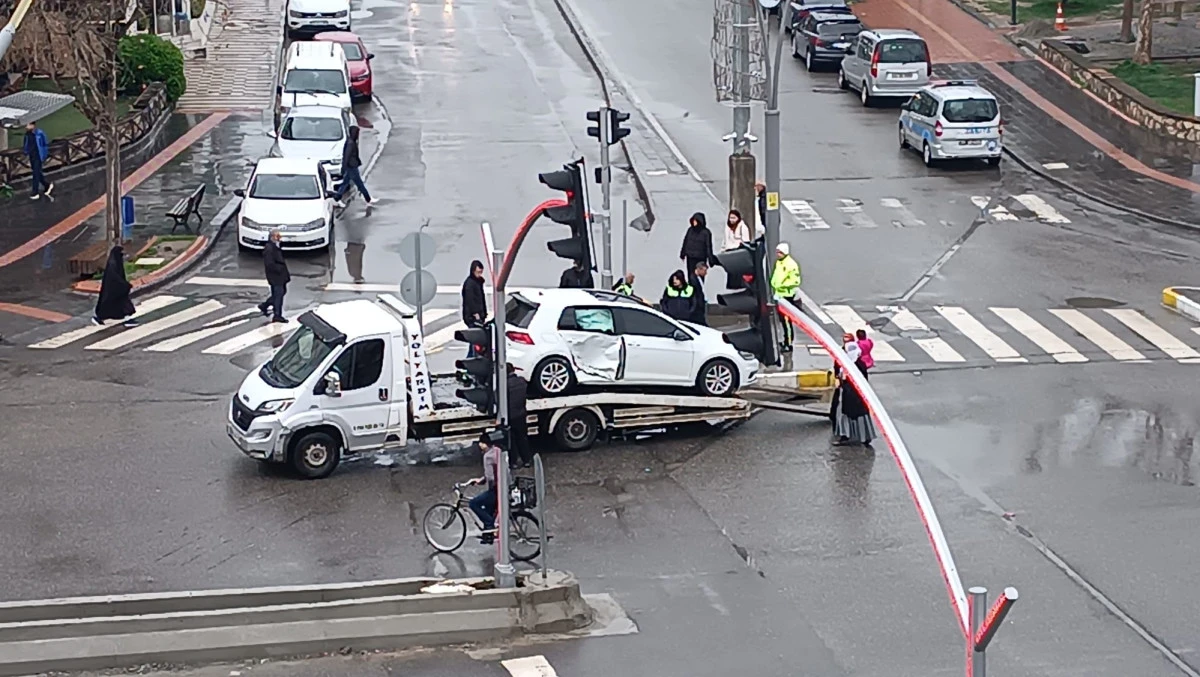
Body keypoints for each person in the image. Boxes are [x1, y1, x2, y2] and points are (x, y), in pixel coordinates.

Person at [833, 340, 876, 447]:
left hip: (853, 395)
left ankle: (850, 436)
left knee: (850, 414)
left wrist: (844, 382)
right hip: (853, 395)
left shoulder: (856, 365)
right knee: (854, 415)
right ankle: (858, 436)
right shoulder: (850, 364)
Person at [466, 434, 503, 545]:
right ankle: (488, 535)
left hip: (496, 489)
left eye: (480, 443)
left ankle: (489, 525)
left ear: (483, 444)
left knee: (474, 503)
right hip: (504, 486)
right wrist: (480, 480)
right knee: (488, 508)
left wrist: (485, 482)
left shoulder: (487, 456)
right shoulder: (497, 450)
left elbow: (490, 477)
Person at [333, 126, 377, 208]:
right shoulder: (351, 143)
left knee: (345, 183)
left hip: (351, 166)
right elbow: (347, 156)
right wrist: (344, 167)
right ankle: (368, 199)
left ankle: (337, 198)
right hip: (351, 166)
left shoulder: (351, 142)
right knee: (359, 184)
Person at [93, 245, 136, 327]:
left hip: (115, 289)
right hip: (115, 289)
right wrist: (124, 285)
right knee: (120, 304)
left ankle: (127, 319)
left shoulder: (114, 262)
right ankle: (127, 320)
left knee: (116, 305)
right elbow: (114, 277)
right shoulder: (113, 264)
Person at [770, 242, 802, 353]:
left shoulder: (791, 265)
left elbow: (795, 281)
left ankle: (789, 344)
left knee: (787, 322)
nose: (777, 254)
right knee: (783, 321)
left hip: (787, 296)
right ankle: (785, 341)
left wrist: (781, 285)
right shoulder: (780, 262)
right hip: (779, 295)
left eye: (780, 252)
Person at [257, 229, 289, 323]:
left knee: (280, 293)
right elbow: (269, 264)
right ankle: (277, 315)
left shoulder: (275, 246)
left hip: (280, 275)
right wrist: (279, 269)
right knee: (278, 295)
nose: (279, 238)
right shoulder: (269, 248)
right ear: (272, 237)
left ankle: (265, 305)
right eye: (277, 236)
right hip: (275, 276)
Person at [506, 363, 533, 468]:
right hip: (521, 414)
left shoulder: (504, 385)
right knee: (522, 438)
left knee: (511, 440)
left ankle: (514, 462)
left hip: (509, 415)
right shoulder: (521, 381)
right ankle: (527, 460)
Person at [721, 209, 753, 290]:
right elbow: (725, 239)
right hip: (729, 249)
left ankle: (738, 284)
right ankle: (731, 284)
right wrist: (723, 248)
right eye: (730, 218)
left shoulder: (743, 227)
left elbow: (746, 240)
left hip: (737, 250)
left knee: (737, 270)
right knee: (730, 270)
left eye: (733, 218)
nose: (731, 220)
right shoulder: (727, 227)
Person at [22, 121, 52, 200]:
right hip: (32, 155)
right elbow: (26, 144)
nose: (26, 127)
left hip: (38, 155)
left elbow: (44, 144)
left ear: (33, 125)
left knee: (35, 173)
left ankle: (35, 191)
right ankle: (46, 185)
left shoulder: (39, 133)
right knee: (37, 172)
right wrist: (25, 151)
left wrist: (44, 155)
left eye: (28, 125)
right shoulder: (27, 135)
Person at [689, 260, 709, 326]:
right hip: (698, 305)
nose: (706, 273)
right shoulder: (693, 279)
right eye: (704, 270)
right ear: (699, 269)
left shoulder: (698, 278)